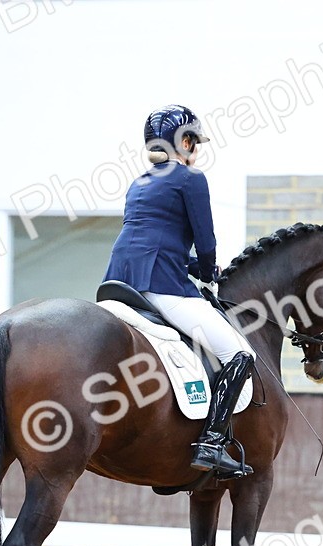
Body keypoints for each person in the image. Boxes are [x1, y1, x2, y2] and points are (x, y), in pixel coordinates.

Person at [103, 104, 255, 479]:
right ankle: (211, 444)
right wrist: (207, 270)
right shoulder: (190, 178)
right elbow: (205, 241)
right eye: (194, 142)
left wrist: (192, 266)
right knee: (239, 353)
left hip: (119, 281)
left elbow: (154, 240)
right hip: (161, 286)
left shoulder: (139, 182)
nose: (197, 149)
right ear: (183, 142)